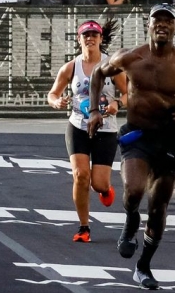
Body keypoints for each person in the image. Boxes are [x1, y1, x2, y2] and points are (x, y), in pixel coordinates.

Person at [87, 3, 175, 290]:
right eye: (157, 20)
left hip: (169, 139)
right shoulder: (131, 57)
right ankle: (131, 219)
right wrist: (94, 111)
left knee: (159, 208)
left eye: (168, 21)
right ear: (148, 24)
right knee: (133, 192)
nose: (162, 25)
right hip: (138, 134)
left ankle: (143, 266)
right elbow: (98, 73)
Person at [47, 20, 127, 242]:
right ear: (78, 39)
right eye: (86, 35)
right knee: (81, 176)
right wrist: (56, 102)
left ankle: (105, 189)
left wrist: (117, 105)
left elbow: (130, 93)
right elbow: (52, 93)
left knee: (98, 183)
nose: (90, 38)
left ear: (101, 39)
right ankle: (84, 227)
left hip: (106, 129)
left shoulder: (112, 66)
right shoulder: (71, 67)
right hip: (78, 126)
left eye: (94, 34)